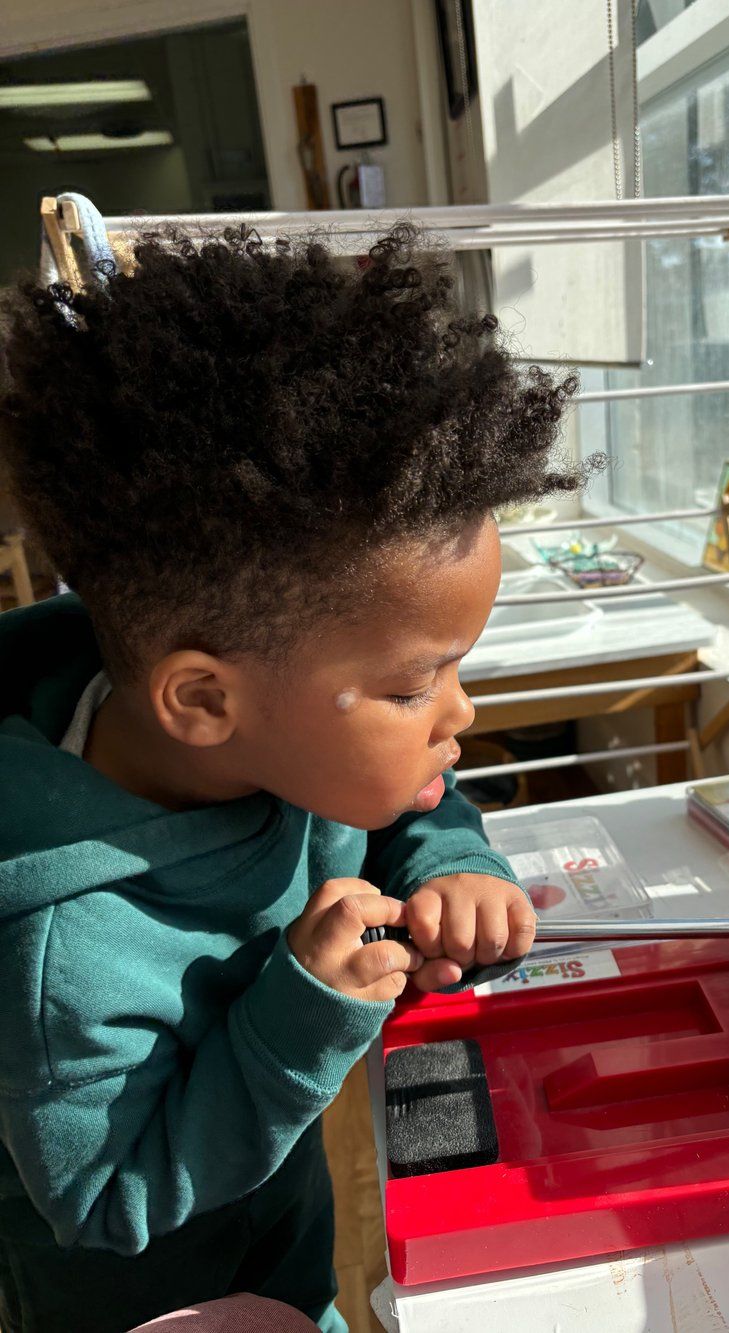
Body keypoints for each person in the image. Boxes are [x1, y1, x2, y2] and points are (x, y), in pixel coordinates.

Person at [0, 223, 586, 1332]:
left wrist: (451, 859)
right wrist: (297, 1019)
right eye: (414, 686)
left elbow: (400, 797)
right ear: (204, 701)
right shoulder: (62, 953)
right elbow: (103, 1198)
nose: (461, 714)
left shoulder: (266, 732)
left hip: (280, 1227)